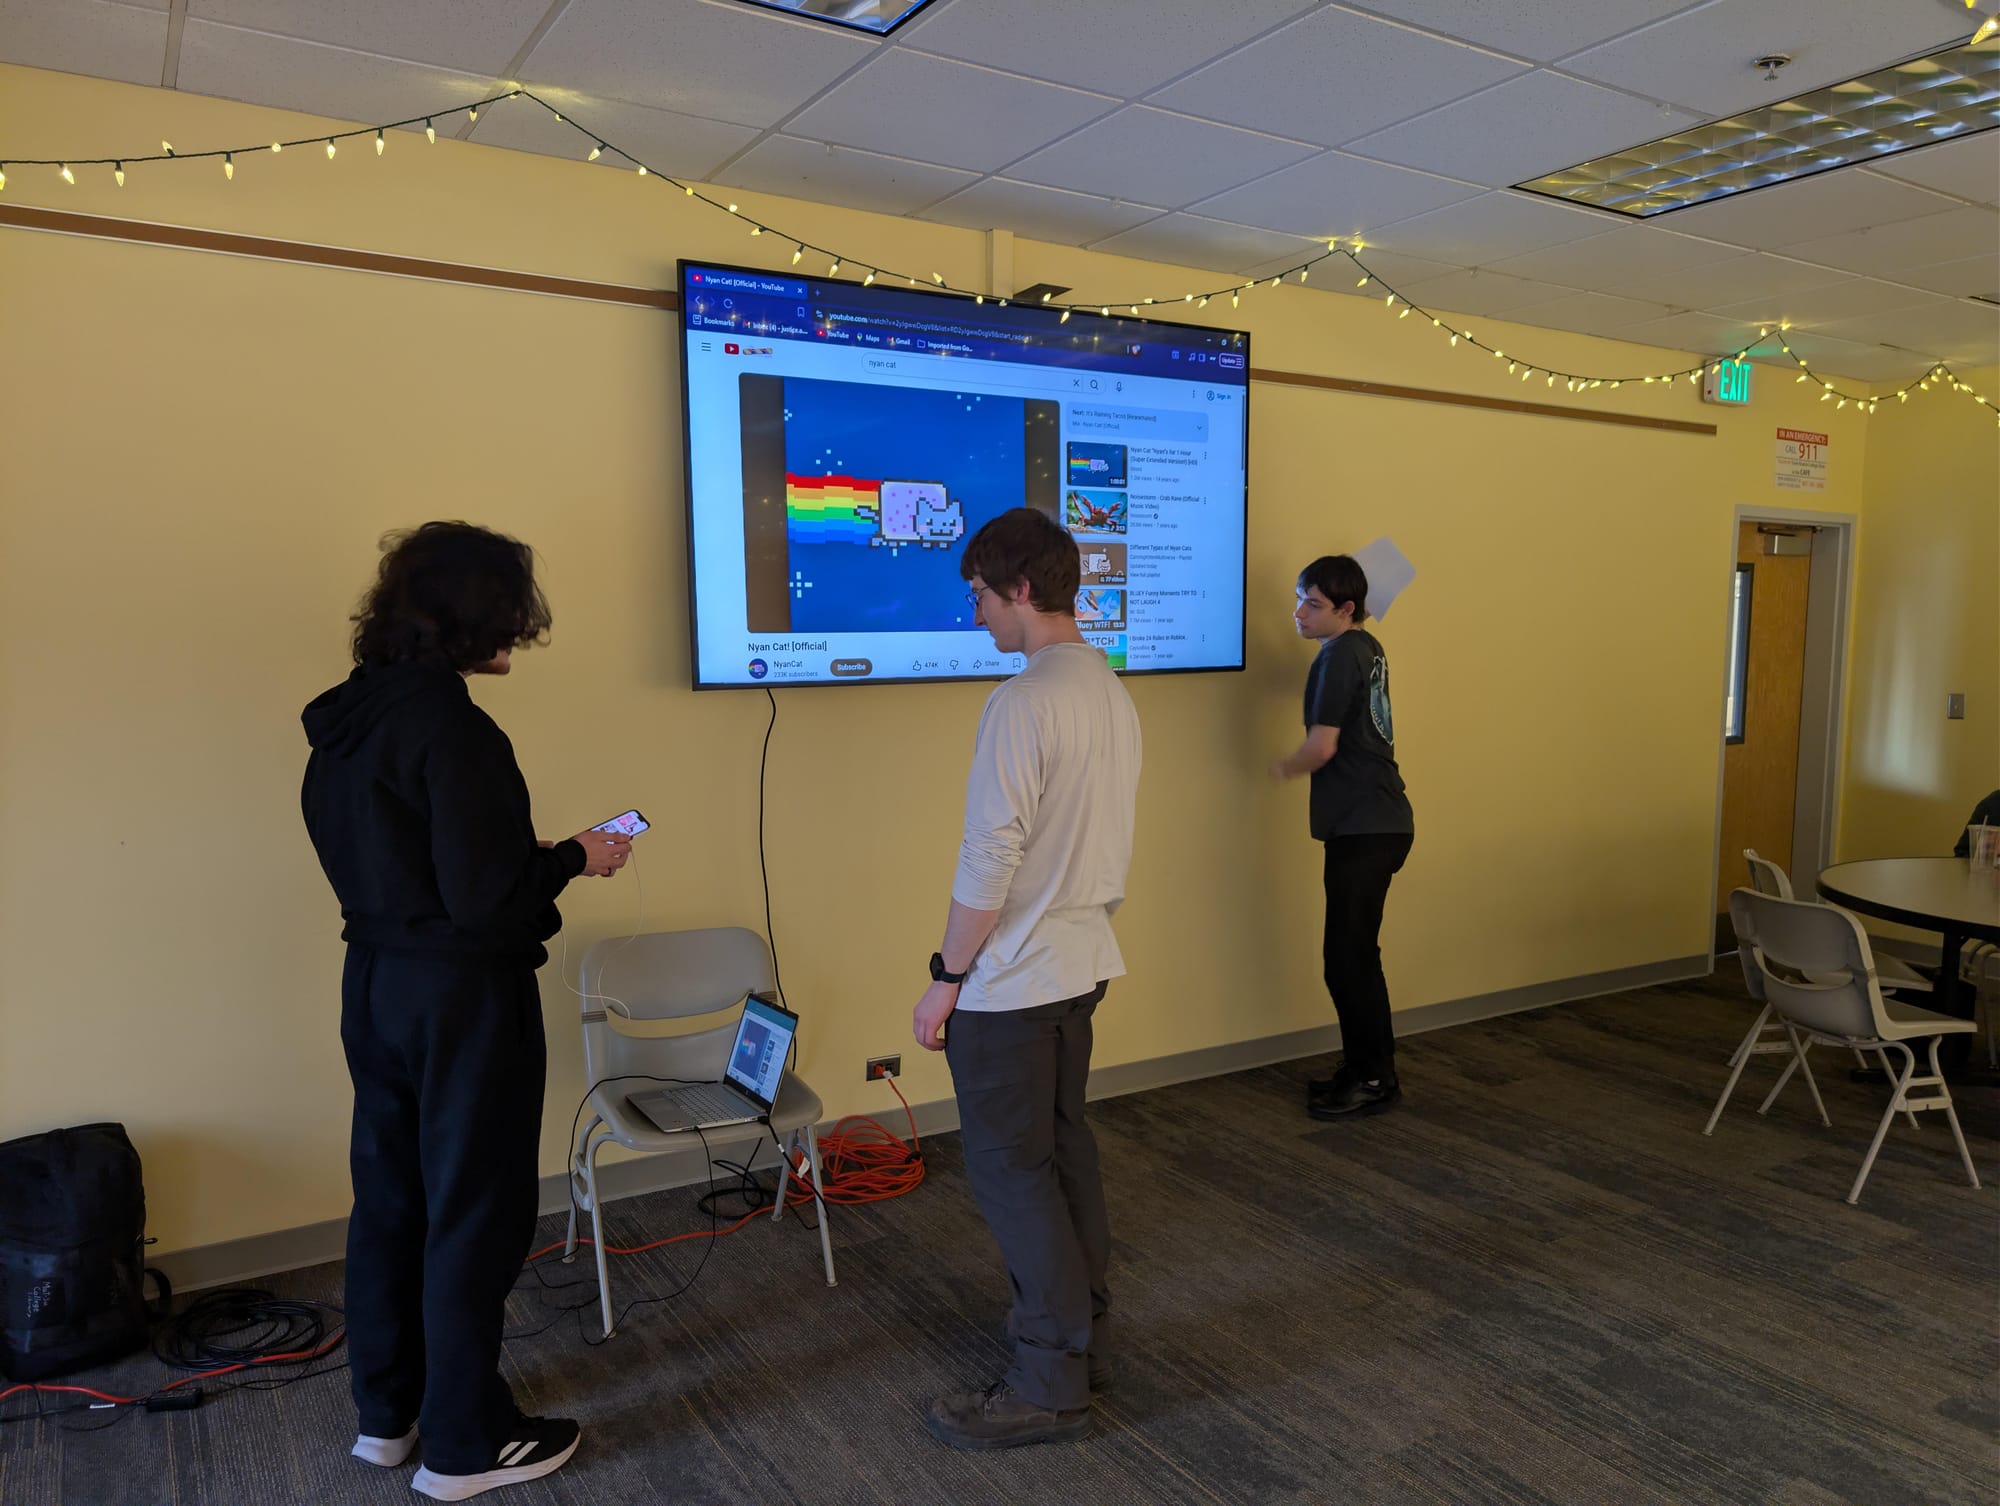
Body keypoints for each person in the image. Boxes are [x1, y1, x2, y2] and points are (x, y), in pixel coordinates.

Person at [301, 522, 630, 1501]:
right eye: (511, 618)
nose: (519, 635)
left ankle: (387, 1417)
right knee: (475, 1215)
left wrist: (512, 857)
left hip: (374, 984)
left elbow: (425, 865)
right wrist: (576, 854)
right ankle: (463, 1446)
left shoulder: (349, 721)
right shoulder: (454, 728)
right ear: (478, 617)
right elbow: (488, 900)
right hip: (460, 998)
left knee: (392, 1201)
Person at [911, 507, 1142, 1451]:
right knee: (1062, 1150)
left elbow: (989, 856)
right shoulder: (1108, 690)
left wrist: (945, 976)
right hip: (1082, 964)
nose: (977, 618)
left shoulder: (1023, 699)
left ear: (1019, 589)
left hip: (1010, 980)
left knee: (1014, 1176)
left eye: (978, 596)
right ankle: (1080, 1335)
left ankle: (1050, 1380)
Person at [1270, 555, 1415, 1120]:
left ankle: (1376, 1078)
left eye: (1312, 604)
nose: (1298, 614)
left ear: (1346, 610)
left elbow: (1321, 747)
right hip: (1378, 822)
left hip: (1366, 827)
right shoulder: (1367, 648)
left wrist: (1282, 767)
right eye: (1300, 599)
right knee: (1353, 956)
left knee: (1348, 960)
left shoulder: (1337, 657)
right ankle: (1363, 1067)